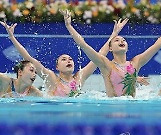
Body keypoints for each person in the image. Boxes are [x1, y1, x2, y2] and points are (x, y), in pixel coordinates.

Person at [61, 10, 161, 97]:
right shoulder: (105, 64)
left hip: (133, 104)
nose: (121, 41)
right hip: (114, 106)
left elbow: (157, 46)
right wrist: (69, 26)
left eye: (123, 40)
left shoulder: (136, 62)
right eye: (117, 40)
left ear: (127, 47)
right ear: (110, 48)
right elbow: (84, 45)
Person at [0, 18, 128, 97]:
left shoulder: (80, 77)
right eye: (64, 59)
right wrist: (12, 37)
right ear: (57, 67)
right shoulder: (51, 78)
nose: (69, 60)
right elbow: (28, 57)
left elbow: (99, 55)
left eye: (70, 59)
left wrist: (114, 34)